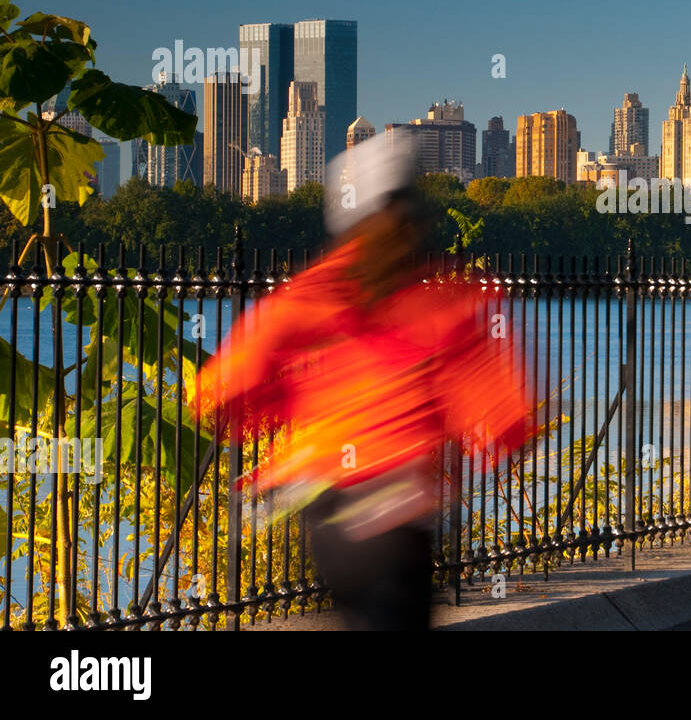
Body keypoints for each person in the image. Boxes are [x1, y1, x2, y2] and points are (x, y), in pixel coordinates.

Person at [192, 134, 532, 630]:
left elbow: (223, 387)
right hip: (393, 520)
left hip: (329, 514)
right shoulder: (439, 303)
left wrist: (287, 417)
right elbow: (505, 416)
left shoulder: (312, 294)